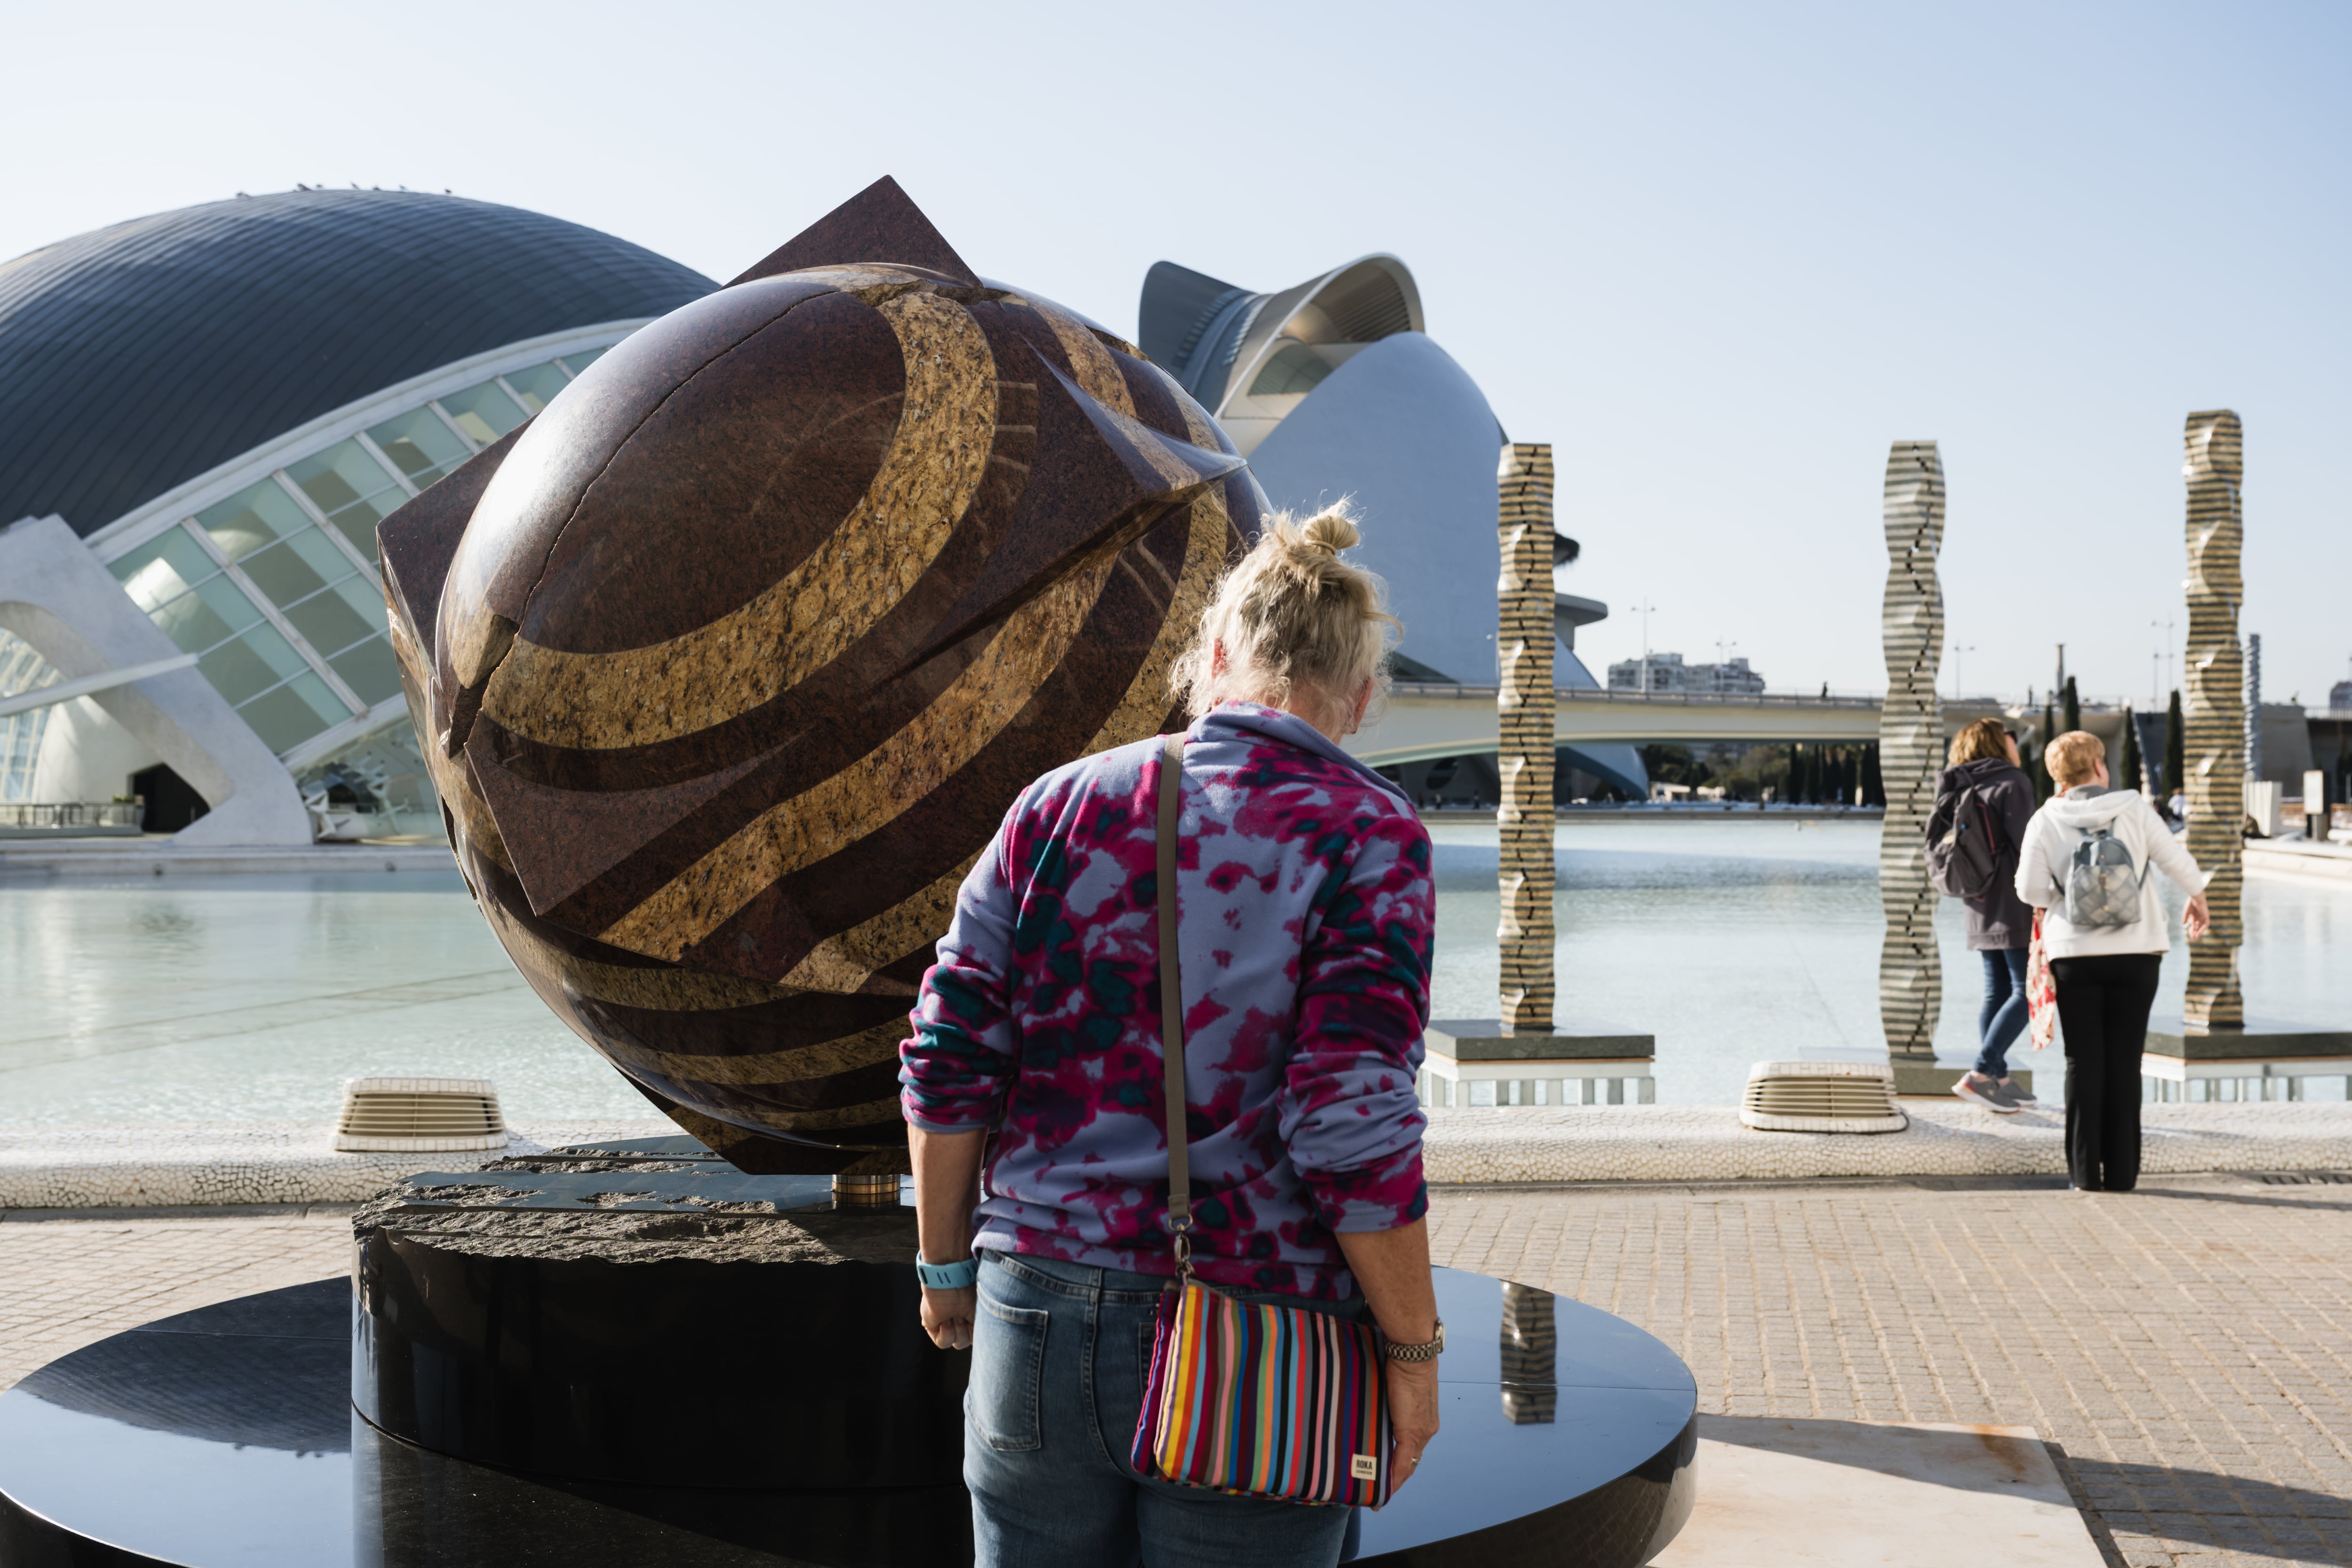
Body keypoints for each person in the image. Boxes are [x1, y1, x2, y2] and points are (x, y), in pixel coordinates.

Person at [898, 506, 1442, 1568]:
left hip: (1034, 1312)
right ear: (1363, 698)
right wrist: (1413, 1352)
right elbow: (1345, 1117)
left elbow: (948, 1057)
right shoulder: (1369, 833)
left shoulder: (1054, 806)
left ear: (1218, 653)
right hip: (1262, 1332)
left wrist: (944, 1271)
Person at [2015, 730, 2209, 1192]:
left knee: (2082, 1061)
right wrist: (2196, 898)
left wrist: (2063, 900)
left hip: (2073, 956)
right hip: (2137, 953)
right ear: (2099, 767)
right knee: (2125, 1061)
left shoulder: (2045, 819)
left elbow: (2026, 889)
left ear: (2057, 776)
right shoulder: (2134, 809)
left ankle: (2083, 1174)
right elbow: (2175, 860)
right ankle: (2122, 1174)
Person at [1933, 718, 2038, 1113]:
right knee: (2026, 992)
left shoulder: (1960, 783)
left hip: (1976, 898)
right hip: (2013, 899)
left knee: (1997, 990)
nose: (2016, 744)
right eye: (2011, 737)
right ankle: (1979, 1074)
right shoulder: (2013, 781)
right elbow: (2029, 846)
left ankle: (1999, 1075)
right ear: (1999, 742)